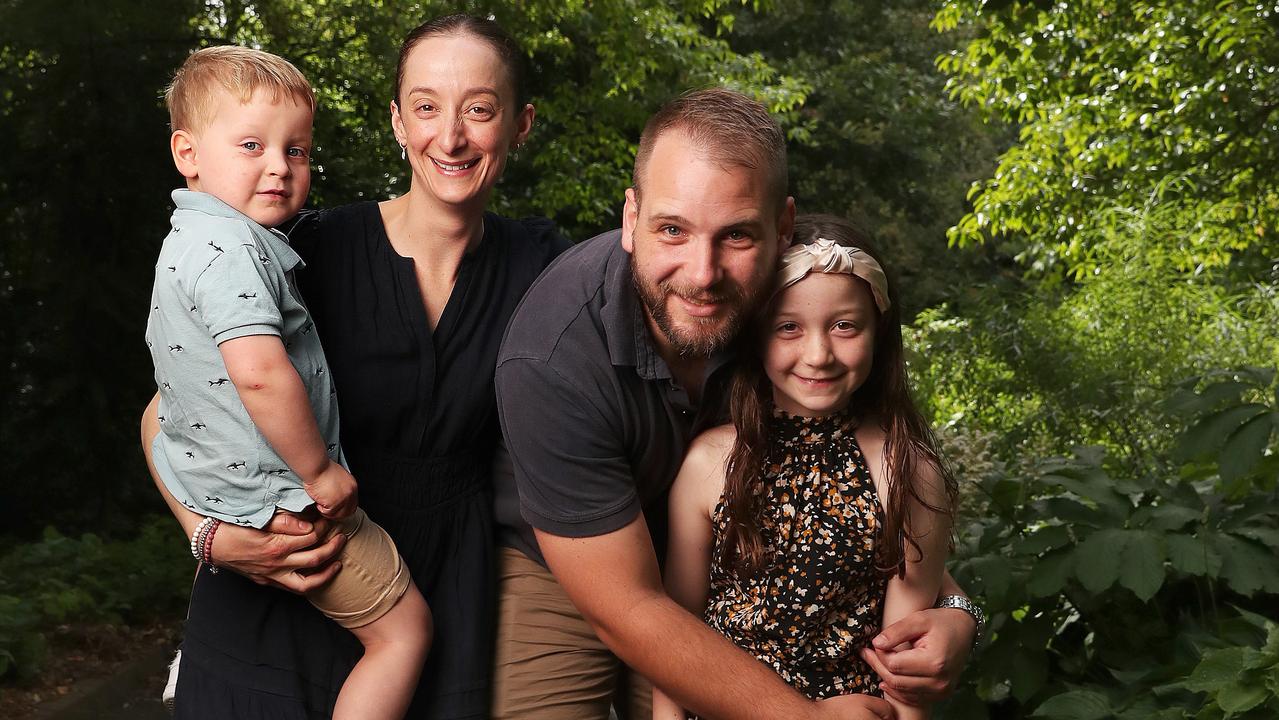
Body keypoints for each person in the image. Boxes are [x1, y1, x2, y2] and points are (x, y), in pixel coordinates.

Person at [493, 88, 981, 720]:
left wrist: (960, 615)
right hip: (578, 563)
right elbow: (629, 609)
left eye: (736, 236)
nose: (703, 272)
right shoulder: (552, 357)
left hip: (739, 567)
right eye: (672, 229)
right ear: (629, 218)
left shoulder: (792, 306)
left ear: (782, 229)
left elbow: (866, 517)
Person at [142, 16, 568, 719]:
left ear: (519, 125)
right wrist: (211, 538)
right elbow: (168, 411)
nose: (451, 136)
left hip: (440, 593)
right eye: (427, 107)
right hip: (279, 580)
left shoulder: (545, 269)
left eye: (480, 109)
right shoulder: (303, 248)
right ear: (398, 122)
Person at [148, 45, 430, 720]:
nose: (278, 165)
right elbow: (260, 373)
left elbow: (170, 407)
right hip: (286, 502)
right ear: (187, 153)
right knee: (404, 635)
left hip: (209, 487)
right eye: (251, 144)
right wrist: (319, 474)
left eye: (296, 150)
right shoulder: (235, 252)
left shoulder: (187, 237)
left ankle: (197, 654)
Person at [652, 215, 957, 720]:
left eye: (844, 326)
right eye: (789, 327)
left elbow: (906, 674)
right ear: (757, 336)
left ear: (878, 333)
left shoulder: (908, 472)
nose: (818, 355)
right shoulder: (710, 462)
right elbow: (675, 635)